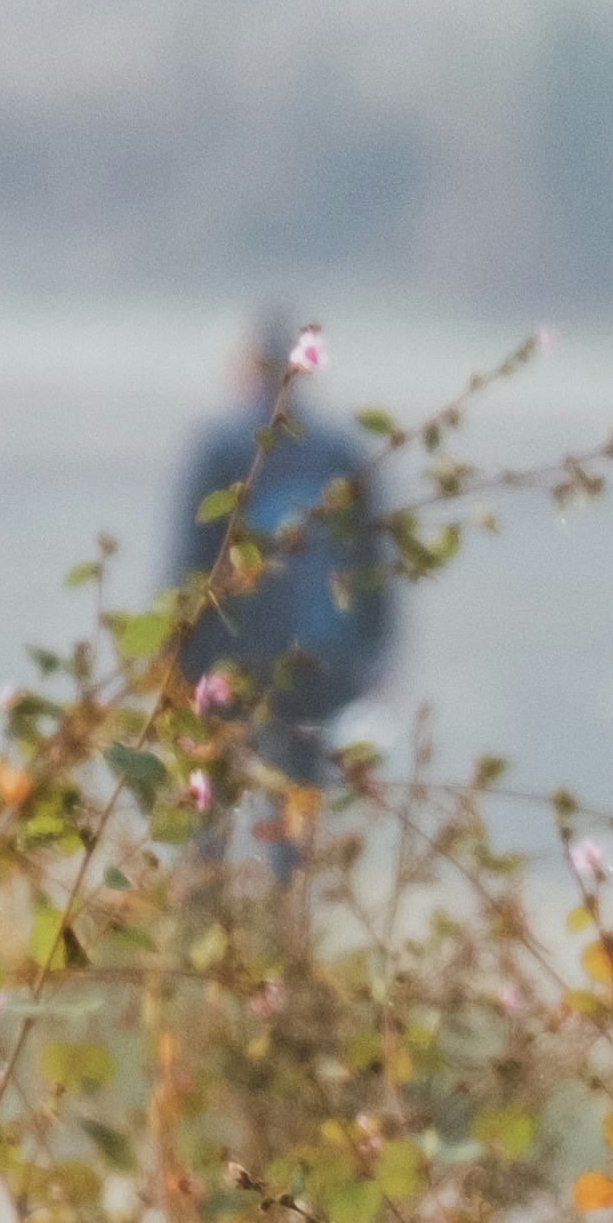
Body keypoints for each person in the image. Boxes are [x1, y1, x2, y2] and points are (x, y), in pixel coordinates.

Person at [165, 316, 396, 861]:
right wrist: (377, 651)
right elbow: (370, 563)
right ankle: (286, 918)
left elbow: (191, 563)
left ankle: (207, 912)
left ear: (247, 368)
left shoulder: (219, 449)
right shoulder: (340, 451)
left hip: (226, 659)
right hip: (316, 662)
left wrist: (176, 657)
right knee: (297, 805)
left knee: (210, 804)